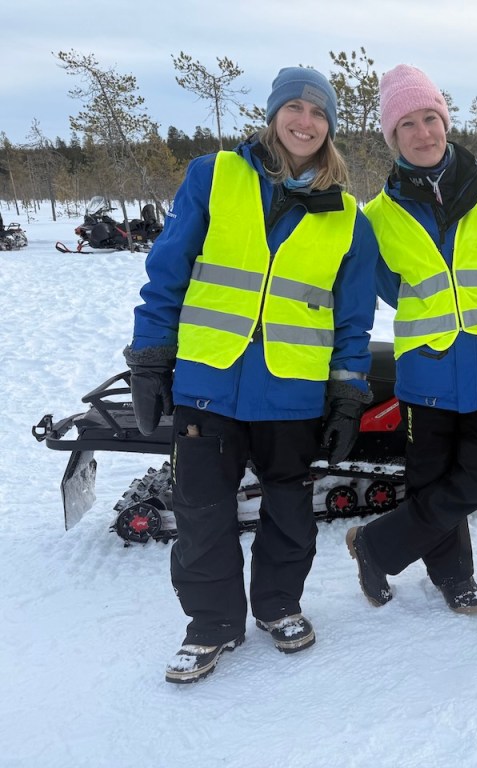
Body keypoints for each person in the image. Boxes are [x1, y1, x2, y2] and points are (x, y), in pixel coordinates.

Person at [125, 66, 378, 684]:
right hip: (208, 379)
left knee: (289, 508)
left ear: (331, 127)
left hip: (290, 387)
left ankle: (278, 605)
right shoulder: (214, 177)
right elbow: (169, 269)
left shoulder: (348, 217)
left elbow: (353, 319)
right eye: (293, 107)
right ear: (272, 115)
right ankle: (211, 624)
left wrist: (348, 391)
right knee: (203, 510)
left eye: (318, 112)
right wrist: (151, 354)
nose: (305, 121)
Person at [345, 64, 477, 615]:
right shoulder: (376, 216)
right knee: (429, 481)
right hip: (425, 371)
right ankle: (455, 577)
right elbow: (385, 289)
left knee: (475, 482)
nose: (424, 133)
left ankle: (375, 545)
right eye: (408, 125)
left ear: (446, 122)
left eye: (431, 118)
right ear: (392, 137)